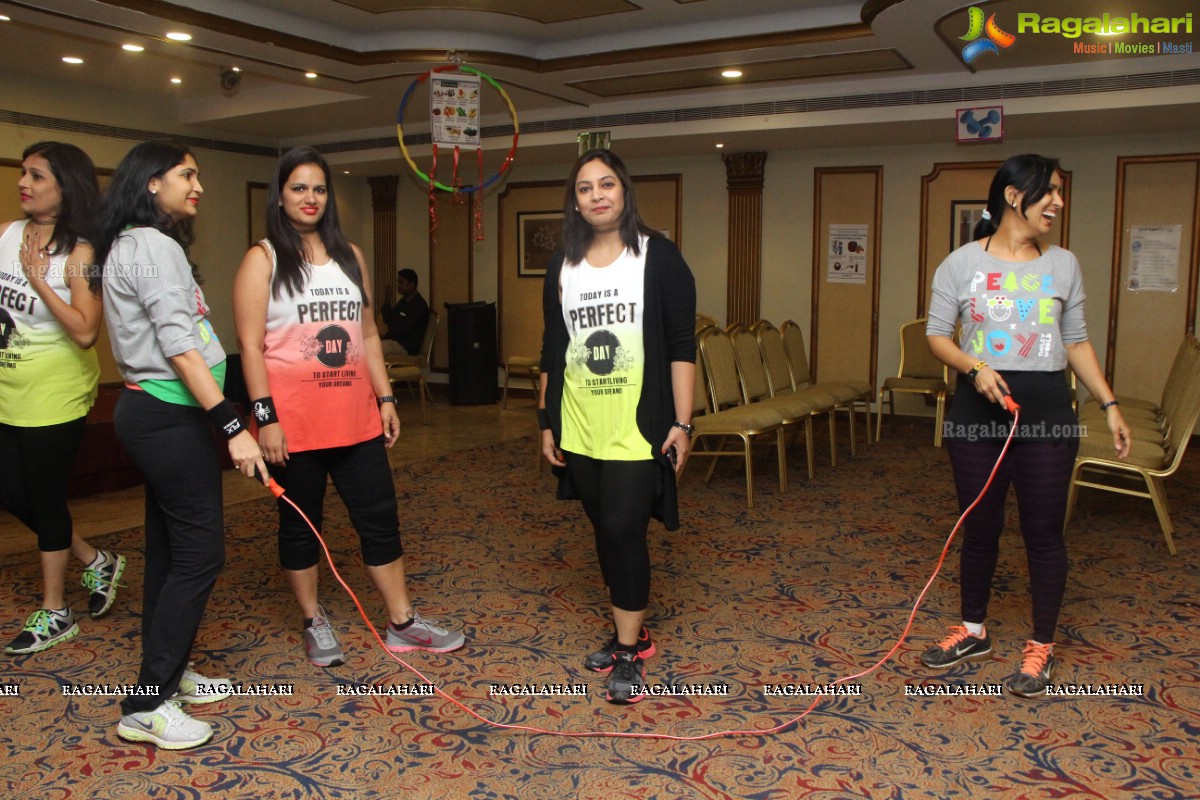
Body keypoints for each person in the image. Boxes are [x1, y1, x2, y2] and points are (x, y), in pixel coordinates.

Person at [233, 146, 463, 669]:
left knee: (380, 519)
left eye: (318, 188)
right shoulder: (262, 260)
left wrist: (385, 397)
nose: (310, 198)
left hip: (355, 420)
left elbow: (369, 336)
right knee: (300, 525)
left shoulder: (350, 256)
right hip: (292, 427)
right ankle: (313, 619)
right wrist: (265, 419)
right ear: (281, 195)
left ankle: (402, 622)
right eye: (298, 188)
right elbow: (249, 348)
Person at [922, 154, 1131, 698]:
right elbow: (937, 336)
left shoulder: (1064, 264)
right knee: (980, 528)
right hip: (975, 420)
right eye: (1051, 192)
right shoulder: (960, 263)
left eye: (1061, 192)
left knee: (1043, 534)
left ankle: (1041, 646)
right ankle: (972, 631)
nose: (1059, 203)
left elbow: (1077, 342)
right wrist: (976, 366)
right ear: (1014, 195)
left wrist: (1108, 404)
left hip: (1046, 419)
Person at [95, 139, 268, 749]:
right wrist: (232, 427)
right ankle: (146, 705)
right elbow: (178, 346)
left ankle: (166, 677)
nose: (197, 185)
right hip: (169, 417)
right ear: (150, 183)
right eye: (186, 175)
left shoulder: (139, 244)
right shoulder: (153, 245)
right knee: (201, 555)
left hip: (167, 415)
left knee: (169, 553)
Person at [538, 149, 695, 704]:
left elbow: (681, 345)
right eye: (585, 188)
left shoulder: (658, 256)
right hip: (579, 426)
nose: (597, 195)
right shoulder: (562, 266)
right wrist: (545, 421)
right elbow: (553, 350)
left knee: (626, 530)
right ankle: (636, 630)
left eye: (607, 184)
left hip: (637, 429)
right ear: (575, 202)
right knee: (605, 529)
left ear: (624, 192)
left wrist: (682, 421)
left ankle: (628, 650)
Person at [0, 141, 125, 655]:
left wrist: (38, 280)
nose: (24, 183)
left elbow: (84, 331)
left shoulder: (81, 252)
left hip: (57, 390)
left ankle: (56, 611)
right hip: (8, 385)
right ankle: (96, 561)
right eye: (24, 174)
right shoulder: (7, 234)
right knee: (10, 491)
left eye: (36, 176)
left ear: (65, 187)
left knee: (46, 496)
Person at [380, 268, 429, 357]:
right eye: (398, 282)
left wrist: (387, 337)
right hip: (396, 341)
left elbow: (404, 330)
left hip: (407, 346)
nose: (398, 285)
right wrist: (387, 300)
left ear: (411, 284)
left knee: (377, 348)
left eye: (401, 282)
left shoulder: (418, 304)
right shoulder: (403, 301)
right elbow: (387, 318)